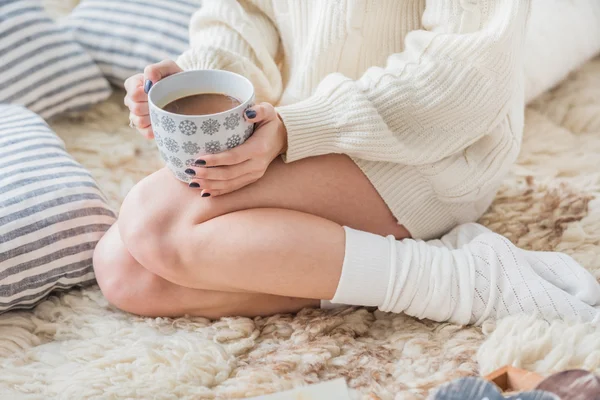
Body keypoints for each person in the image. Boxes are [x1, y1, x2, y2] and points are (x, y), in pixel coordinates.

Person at [92, 0, 600, 325]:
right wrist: (202, 77)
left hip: (428, 150)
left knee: (156, 224)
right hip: (305, 128)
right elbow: (247, 12)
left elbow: (462, 80)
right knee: (124, 272)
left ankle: (467, 282)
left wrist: (301, 126)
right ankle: (369, 267)